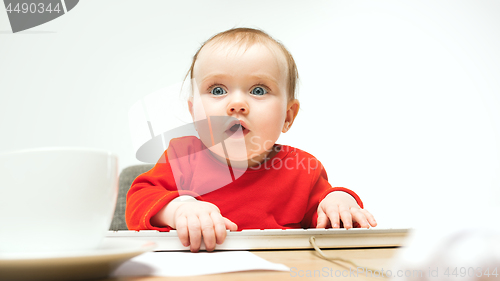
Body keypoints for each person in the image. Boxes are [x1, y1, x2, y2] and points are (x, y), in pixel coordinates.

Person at [126, 27, 377, 252]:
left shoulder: (302, 168)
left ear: (288, 116)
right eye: (217, 90)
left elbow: (328, 215)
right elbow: (138, 202)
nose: (237, 104)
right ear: (194, 113)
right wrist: (179, 208)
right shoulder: (182, 156)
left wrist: (340, 201)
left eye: (258, 90)